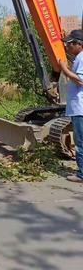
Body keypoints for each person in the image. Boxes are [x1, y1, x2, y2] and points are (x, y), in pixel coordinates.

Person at [58, 29, 83, 183]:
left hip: (80, 108)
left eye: (69, 43)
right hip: (78, 108)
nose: (67, 46)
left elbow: (80, 81)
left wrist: (64, 68)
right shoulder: (79, 58)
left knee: (80, 143)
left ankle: (81, 174)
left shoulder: (81, 58)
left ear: (78, 44)